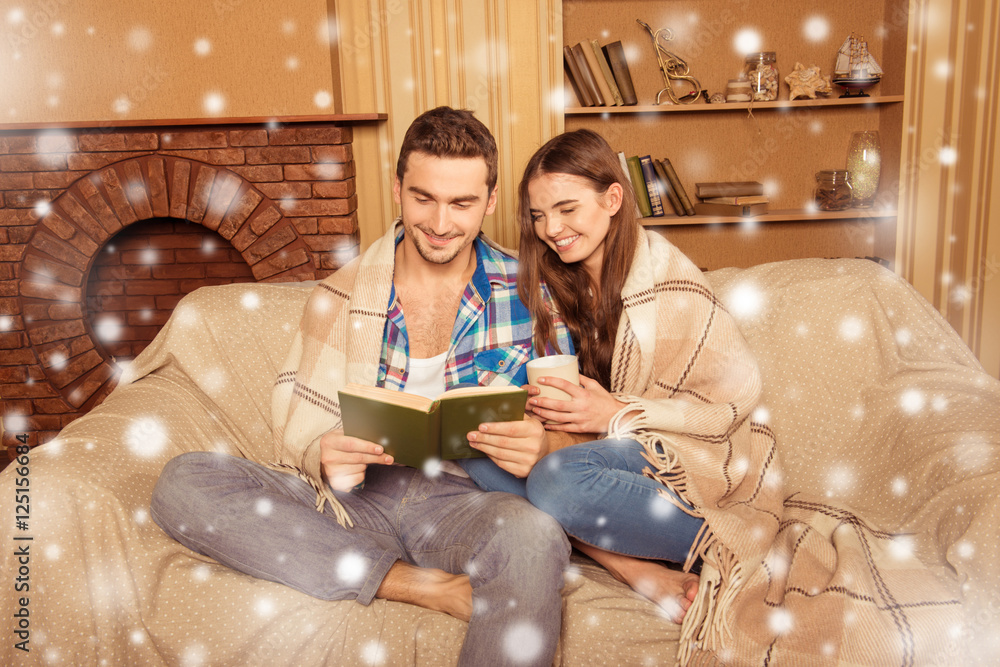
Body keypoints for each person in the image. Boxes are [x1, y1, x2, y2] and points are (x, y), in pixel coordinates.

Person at [150, 107, 577, 667]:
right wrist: (325, 454)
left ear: (491, 201)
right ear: (397, 189)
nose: (442, 222)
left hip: (462, 506)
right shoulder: (340, 295)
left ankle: (352, 565)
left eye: (462, 204)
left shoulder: (532, 294)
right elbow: (299, 435)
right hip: (353, 504)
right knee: (183, 482)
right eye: (424, 198)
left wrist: (543, 445)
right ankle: (416, 583)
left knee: (537, 535)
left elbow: (577, 445)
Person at [460, 129, 776, 627]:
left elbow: (736, 398)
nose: (552, 229)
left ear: (612, 199)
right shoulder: (553, 281)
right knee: (477, 446)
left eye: (567, 209)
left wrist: (618, 412)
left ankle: (708, 538)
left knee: (558, 481)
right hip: (602, 452)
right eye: (539, 216)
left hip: (686, 461)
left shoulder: (667, 278)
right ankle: (630, 564)